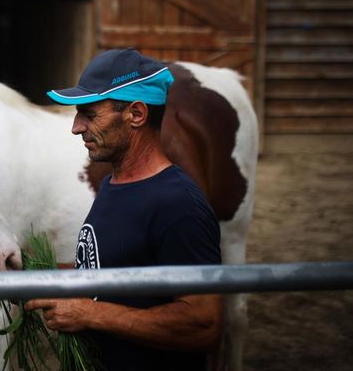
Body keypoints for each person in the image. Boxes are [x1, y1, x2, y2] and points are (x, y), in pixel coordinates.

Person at [25, 48, 222, 371]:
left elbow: (203, 323)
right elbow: (105, 270)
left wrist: (88, 314)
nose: (76, 127)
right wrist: (31, 274)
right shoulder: (114, 185)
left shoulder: (178, 205)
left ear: (136, 114)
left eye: (89, 114)